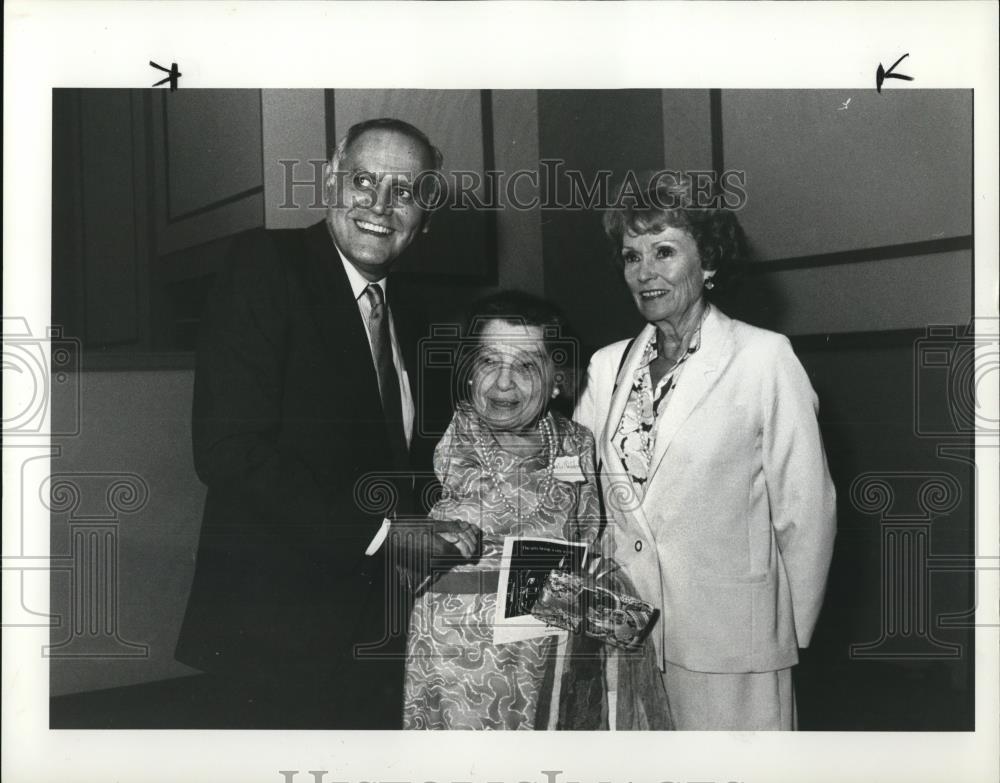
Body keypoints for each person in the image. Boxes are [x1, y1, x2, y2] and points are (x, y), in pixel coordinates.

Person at [174, 118, 479, 729]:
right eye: (363, 181)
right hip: (278, 634)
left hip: (386, 630)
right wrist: (386, 532)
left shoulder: (420, 313)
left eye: (406, 191)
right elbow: (228, 450)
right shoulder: (266, 263)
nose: (380, 206)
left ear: (426, 216)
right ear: (330, 184)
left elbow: (415, 463)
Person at [574, 173, 837, 730]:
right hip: (626, 633)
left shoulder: (764, 359)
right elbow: (581, 499)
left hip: (732, 644)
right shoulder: (605, 367)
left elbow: (806, 510)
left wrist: (787, 631)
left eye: (664, 251)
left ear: (709, 263)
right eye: (630, 256)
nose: (644, 272)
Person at [402, 292, 604, 730]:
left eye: (527, 366)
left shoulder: (577, 443)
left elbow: (591, 544)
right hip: (457, 669)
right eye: (489, 362)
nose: (503, 383)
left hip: (547, 660)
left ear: (558, 380)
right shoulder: (434, 435)